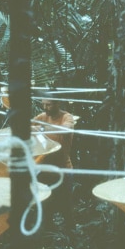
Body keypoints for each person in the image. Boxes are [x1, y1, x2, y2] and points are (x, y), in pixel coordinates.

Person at [32, 93, 75, 229]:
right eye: (43, 104)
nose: (45, 107)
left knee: (66, 207)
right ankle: (48, 239)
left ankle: (71, 236)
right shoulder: (42, 117)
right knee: (45, 206)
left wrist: (43, 128)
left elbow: (66, 129)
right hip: (44, 169)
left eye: (48, 104)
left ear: (57, 103)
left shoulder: (66, 117)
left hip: (62, 169)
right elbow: (28, 127)